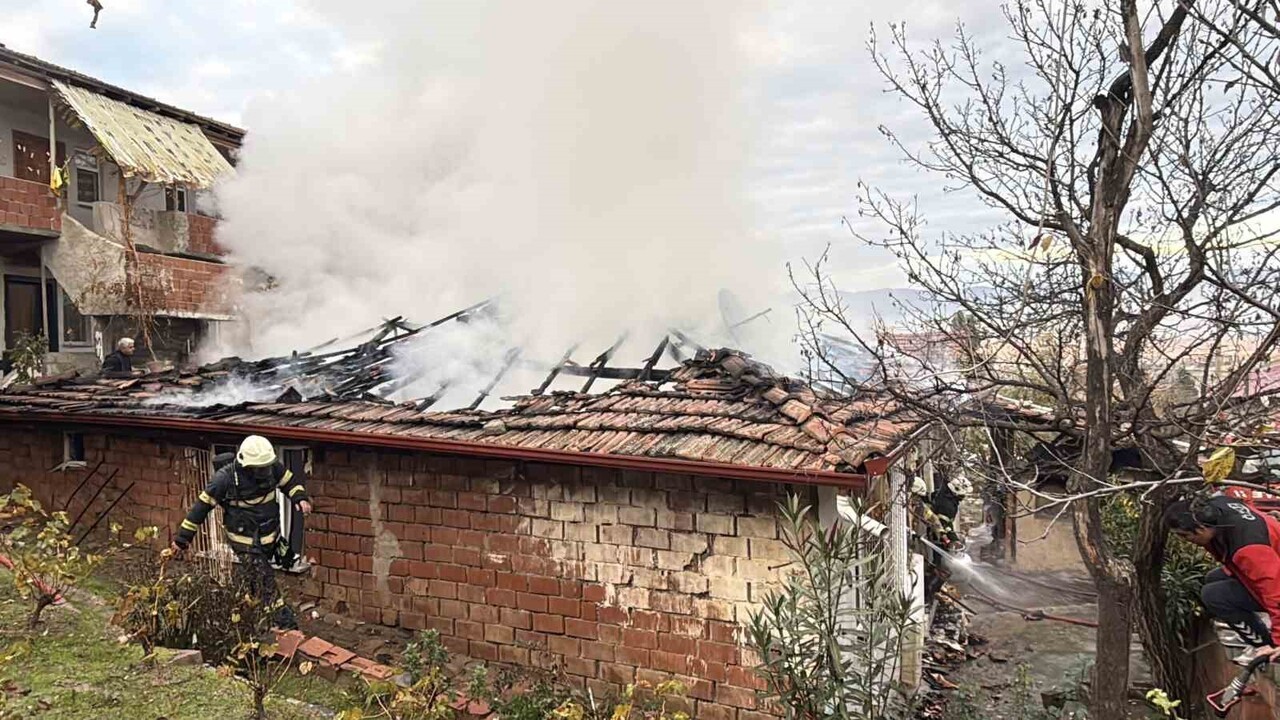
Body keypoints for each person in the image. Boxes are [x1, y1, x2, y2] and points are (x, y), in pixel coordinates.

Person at [170, 435, 312, 629]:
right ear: (246, 465)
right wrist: (181, 540)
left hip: (271, 536)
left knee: (254, 581)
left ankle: (243, 616)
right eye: (260, 469)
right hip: (245, 542)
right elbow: (199, 510)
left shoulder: (272, 467)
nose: (265, 472)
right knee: (266, 582)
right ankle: (287, 626)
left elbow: (290, 482)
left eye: (266, 467)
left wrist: (300, 498)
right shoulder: (225, 480)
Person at [1165, 496, 1280, 662]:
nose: (1188, 541)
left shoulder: (1249, 549)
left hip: (1273, 574)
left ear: (1201, 528)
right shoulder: (1218, 507)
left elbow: (1276, 593)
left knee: (1214, 595)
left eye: (1185, 536)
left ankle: (1266, 648)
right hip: (1272, 557)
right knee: (1213, 578)